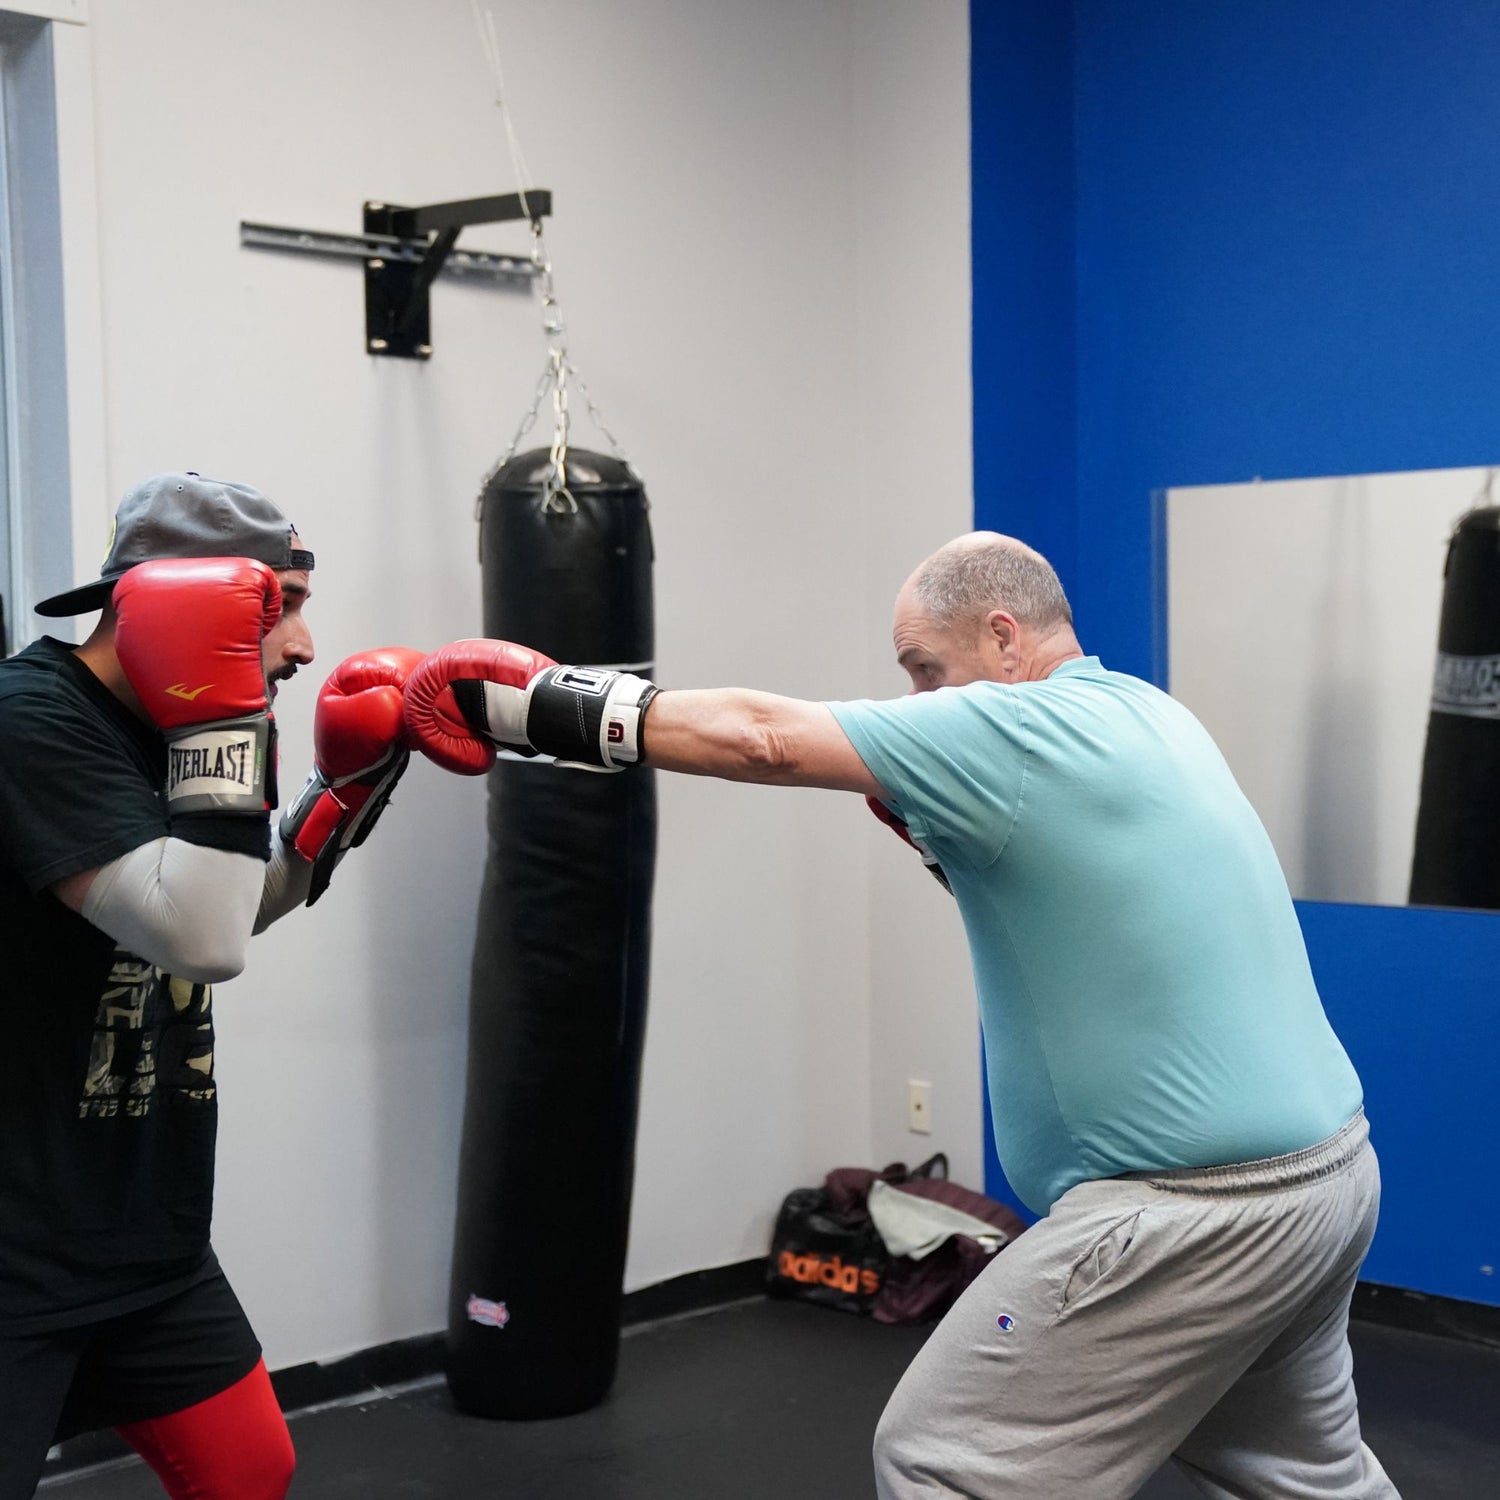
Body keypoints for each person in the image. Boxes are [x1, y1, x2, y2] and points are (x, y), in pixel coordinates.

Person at [403, 530, 1398, 1499]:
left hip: (1186, 1218)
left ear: (1005, 639)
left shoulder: (1011, 728)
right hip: (1326, 1186)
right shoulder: (1146, 713)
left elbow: (761, 738)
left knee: (944, 1457)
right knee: (1299, 1476)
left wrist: (523, 706)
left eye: (924, 670)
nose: (917, 701)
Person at [0, 473, 421, 1500]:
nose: (302, 647)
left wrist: (347, 795)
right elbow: (201, 941)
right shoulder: (29, 722)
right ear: (174, 603)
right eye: (280, 606)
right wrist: (224, 729)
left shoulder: (213, 718)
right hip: (13, 1247)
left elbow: (228, 906)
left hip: (145, 1226)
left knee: (246, 1470)